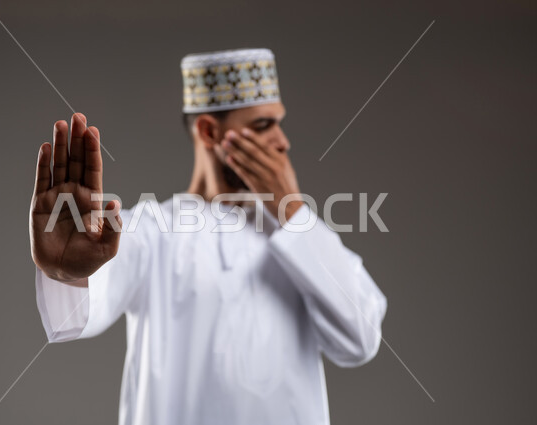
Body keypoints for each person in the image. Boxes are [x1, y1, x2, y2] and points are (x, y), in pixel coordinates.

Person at [30, 48, 387, 425]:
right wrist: (67, 272)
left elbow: (361, 340)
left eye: (279, 124)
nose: (283, 142)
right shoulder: (151, 230)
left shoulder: (301, 235)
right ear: (209, 132)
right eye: (264, 125)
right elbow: (85, 304)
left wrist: (292, 212)